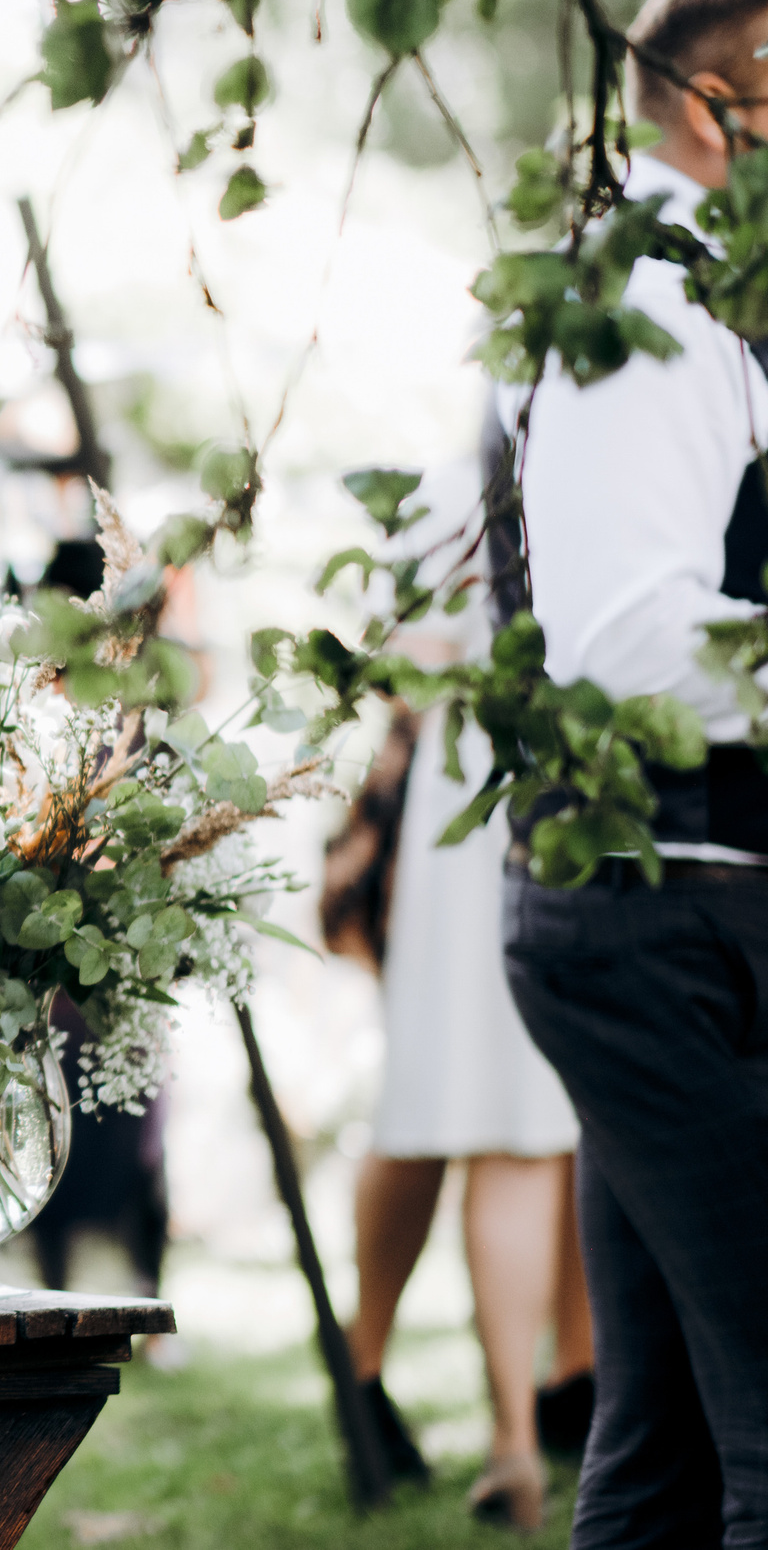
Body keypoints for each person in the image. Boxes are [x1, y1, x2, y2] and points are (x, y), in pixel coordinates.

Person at [497, 0, 768, 1550]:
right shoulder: (647, 300)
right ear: (728, 106)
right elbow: (627, 645)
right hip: (661, 924)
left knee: (659, 1457)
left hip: (687, 910)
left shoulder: (704, 299)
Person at [332, 513, 594, 1530]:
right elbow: (406, 653)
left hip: (484, 786)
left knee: (480, 1107)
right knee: (513, 1120)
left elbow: (399, 654)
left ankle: (558, 1390)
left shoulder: (469, 465)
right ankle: (517, 1439)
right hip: (515, 789)